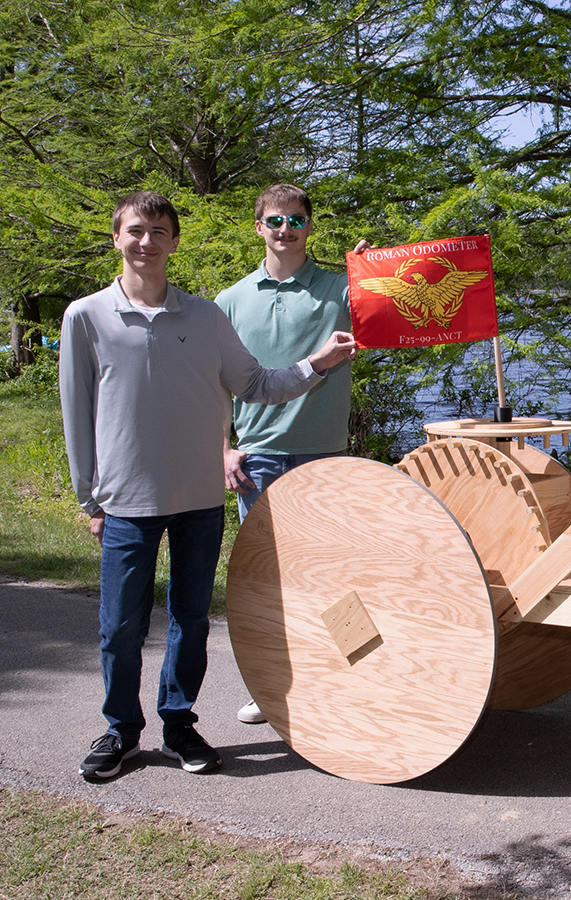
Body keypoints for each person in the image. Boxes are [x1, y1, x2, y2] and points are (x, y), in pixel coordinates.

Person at [59, 191, 357, 782]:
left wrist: (317, 364)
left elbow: (257, 385)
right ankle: (121, 730)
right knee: (120, 626)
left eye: (158, 231)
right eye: (135, 230)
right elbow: (77, 411)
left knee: (191, 619)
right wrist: (90, 498)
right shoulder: (85, 317)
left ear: (174, 241)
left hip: (199, 499)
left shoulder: (205, 315)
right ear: (117, 238)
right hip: (125, 502)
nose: (147, 241)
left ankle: (178, 725)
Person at [215, 183, 360, 727]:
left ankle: (342, 682)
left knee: (335, 579)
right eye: (275, 221)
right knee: (271, 585)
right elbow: (213, 385)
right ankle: (271, 685)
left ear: (309, 227)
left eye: (296, 220)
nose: (285, 230)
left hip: (324, 456)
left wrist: (372, 274)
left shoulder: (341, 289)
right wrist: (223, 448)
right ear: (259, 227)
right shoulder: (230, 301)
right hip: (257, 460)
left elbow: (396, 311)